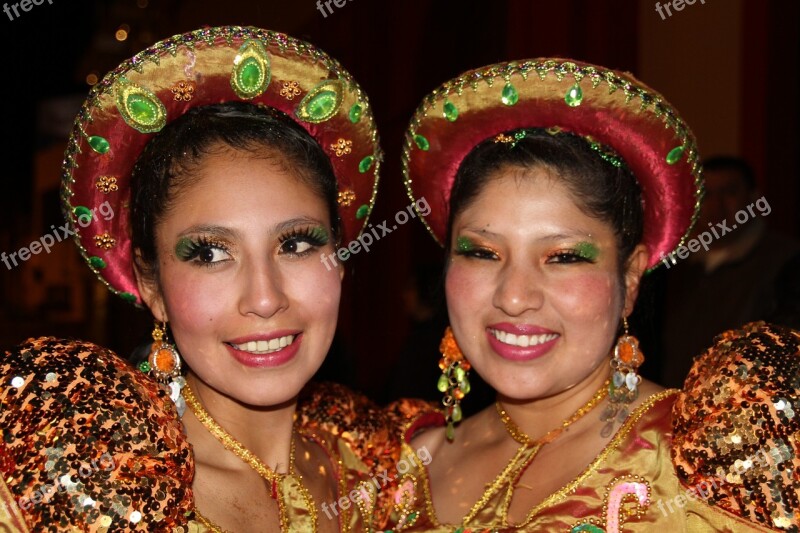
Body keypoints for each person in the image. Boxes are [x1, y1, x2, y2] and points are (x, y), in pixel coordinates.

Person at [0, 26, 394, 532]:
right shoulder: (94, 479)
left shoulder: (375, 468)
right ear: (152, 287)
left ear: (337, 259)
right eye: (210, 253)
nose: (265, 298)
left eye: (296, 244)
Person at [381, 59, 800, 531]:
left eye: (563, 257)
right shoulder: (404, 469)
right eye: (481, 252)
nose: (514, 298)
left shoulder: (711, 458)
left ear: (631, 279)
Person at [660, 156, 800, 387]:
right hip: (672, 404)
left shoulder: (786, 261)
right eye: (707, 195)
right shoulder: (675, 265)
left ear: (753, 198)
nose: (716, 206)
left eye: (729, 192)